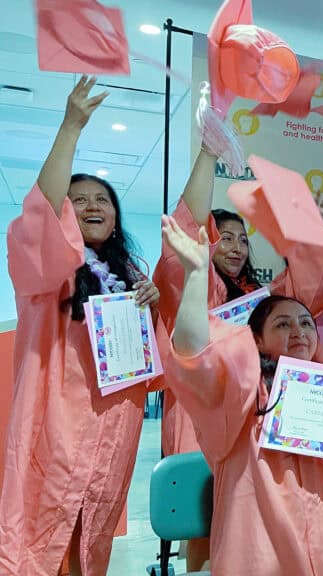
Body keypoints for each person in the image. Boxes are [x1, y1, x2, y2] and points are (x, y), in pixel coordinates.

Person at [160, 216, 323, 575]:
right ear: (255, 339)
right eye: (282, 324)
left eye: (305, 323)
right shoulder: (241, 392)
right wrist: (197, 277)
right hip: (266, 550)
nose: (299, 331)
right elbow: (193, 353)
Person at [0, 76, 164, 576]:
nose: (93, 206)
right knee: (39, 539)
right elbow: (40, 219)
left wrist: (151, 310)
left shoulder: (132, 276)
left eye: (103, 200)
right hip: (57, 423)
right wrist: (71, 126)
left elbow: (151, 371)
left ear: (116, 218)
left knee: (90, 542)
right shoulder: (49, 275)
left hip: (115, 426)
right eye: (80, 200)